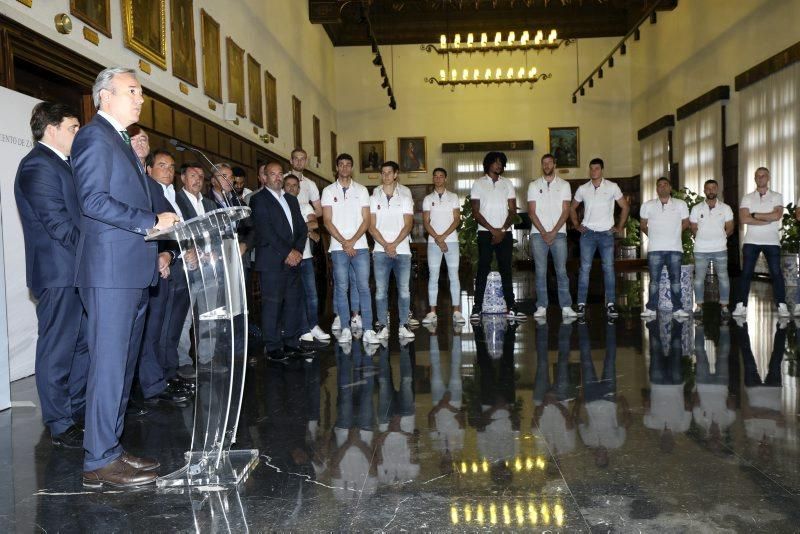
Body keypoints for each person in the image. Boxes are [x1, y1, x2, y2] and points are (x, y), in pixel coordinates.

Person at [72, 66, 180, 488]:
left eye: (141, 92)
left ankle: (111, 448)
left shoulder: (120, 141)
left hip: (131, 271)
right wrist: (150, 221)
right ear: (105, 96)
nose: (140, 99)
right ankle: (97, 459)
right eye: (132, 91)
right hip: (110, 273)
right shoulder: (94, 137)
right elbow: (93, 200)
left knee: (123, 367)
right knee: (108, 365)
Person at [14, 102, 88, 449]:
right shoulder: (37, 166)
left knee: (82, 344)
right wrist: (96, 256)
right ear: (52, 128)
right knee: (58, 349)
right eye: (74, 127)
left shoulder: (64, 165)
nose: (78, 133)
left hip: (77, 271)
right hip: (59, 273)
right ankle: (59, 421)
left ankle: (74, 411)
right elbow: (58, 225)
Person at [136, 149, 192, 406]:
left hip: (173, 264)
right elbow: (151, 229)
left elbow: (180, 231)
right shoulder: (148, 189)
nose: (168, 170)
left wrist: (172, 252)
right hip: (155, 267)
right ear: (149, 169)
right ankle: (155, 380)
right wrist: (164, 256)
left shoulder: (171, 195)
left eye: (171, 166)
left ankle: (167, 374)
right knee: (155, 330)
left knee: (169, 328)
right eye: (162, 165)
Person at [249, 162, 314, 362]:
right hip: (272, 261)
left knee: (293, 303)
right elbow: (265, 230)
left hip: (293, 261)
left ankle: (291, 343)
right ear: (265, 178)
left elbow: (302, 230)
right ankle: (273, 346)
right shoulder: (259, 200)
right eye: (273, 174)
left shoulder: (291, 200)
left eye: (280, 174)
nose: (277, 178)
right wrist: (288, 252)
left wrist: (297, 252)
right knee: (272, 305)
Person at [322, 154, 379, 344]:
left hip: (360, 247)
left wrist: (352, 241)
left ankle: (369, 329)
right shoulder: (329, 191)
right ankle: (345, 328)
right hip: (338, 248)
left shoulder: (362, 190)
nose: (345, 168)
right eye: (341, 165)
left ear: (352, 168)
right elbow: (327, 221)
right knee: (341, 288)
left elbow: (367, 220)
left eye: (348, 165)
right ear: (337, 168)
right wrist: (344, 242)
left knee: (363, 287)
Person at [570, 158, 629, 318]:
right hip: (587, 234)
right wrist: (576, 224)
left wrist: (619, 227)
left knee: (608, 269)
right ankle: (581, 304)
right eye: (591, 169)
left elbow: (624, 206)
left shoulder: (612, 187)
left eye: (596, 168)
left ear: (602, 170)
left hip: (606, 234)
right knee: (584, 269)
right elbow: (572, 208)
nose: (593, 171)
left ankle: (610, 304)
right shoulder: (583, 189)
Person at [469, 151, 525, 321]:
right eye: (495, 162)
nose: (499, 164)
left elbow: (513, 210)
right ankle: (477, 308)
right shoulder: (478, 183)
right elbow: (476, 212)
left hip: (505, 232)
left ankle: (512, 306)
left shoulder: (507, 183)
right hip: (485, 233)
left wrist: (502, 230)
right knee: (483, 269)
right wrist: (494, 231)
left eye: (501, 162)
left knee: (506, 269)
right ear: (488, 164)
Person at [527, 153, 575, 321]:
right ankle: (541, 306)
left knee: (561, 271)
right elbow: (531, 212)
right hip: (538, 235)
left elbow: (566, 211)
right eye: (544, 163)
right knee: (540, 272)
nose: (546, 166)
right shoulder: (533, 185)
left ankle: (566, 306)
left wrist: (553, 232)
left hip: (559, 234)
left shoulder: (564, 185)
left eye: (549, 163)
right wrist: (544, 232)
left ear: (555, 164)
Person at [734, 167, 788, 317]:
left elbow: (777, 216)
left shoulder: (777, 196)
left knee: (776, 273)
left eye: (763, 176)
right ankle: (741, 306)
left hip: (772, 242)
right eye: (758, 176)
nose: (760, 178)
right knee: (746, 273)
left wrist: (755, 214)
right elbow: (744, 219)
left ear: (768, 178)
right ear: (755, 178)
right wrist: (765, 220)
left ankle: (782, 306)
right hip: (751, 241)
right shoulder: (747, 197)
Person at [370, 161, 415, 340]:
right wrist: (386, 245)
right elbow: (371, 226)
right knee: (381, 290)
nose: (386, 176)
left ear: (396, 174)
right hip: (380, 251)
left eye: (389, 172)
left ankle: (404, 324)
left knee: (404, 290)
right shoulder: (373, 198)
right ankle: (382, 325)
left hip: (402, 250)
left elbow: (408, 225)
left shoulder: (404, 198)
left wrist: (394, 244)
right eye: (383, 172)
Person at [283, 174, 330, 343]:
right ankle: (302, 329)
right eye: (287, 185)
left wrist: (297, 229)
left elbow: (315, 224)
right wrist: (306, 231)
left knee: (312, 295)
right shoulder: (280, 207)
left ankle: (313, 325)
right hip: (287, 257)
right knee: (295, 295)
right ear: (283, 187)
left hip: (306, 257)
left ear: (298, 188)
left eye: (294, 185)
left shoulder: (305, 206)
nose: (291, 188)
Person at [639, 177, 690, 318]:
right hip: (655, 249)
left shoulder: (680, 204)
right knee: (654, 281)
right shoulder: (647, 205)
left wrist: (675, 233)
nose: (662, 187)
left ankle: (677, 308)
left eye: (665, 185)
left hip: (675, 248)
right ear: (656, 189)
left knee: (675, 281)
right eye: (659, 185)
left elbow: (686, 222)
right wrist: (653, 235)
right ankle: (651, 308)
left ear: (670, 188)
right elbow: (643, 225)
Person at [422, 167, 464, 325]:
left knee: (454, 276)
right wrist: (438, 239)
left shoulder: (453, 197)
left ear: (445, 179)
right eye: (436, 176)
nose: (438, 179)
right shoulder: (427, 199)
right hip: (433, 243)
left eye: (441, 176)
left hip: (451, 241)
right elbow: (426, 222)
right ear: (433, 179)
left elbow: (456, 220)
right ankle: (432, 312)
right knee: (433, 276)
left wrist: (444, 237)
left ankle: (457, 311)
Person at [690, 179, 734, 317]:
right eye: (708, 188)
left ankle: (725, 306)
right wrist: (705, 238)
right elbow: (693, 229)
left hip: (720, 248)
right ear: (704, 191)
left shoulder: (726, 208)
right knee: (698, 279)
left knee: (723, 277)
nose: (710, 190)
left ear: (717, 190)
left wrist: (719, 238)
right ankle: (699, 306)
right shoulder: (696, 209)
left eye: (713, 188)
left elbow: (730, 228)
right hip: (700, 250)